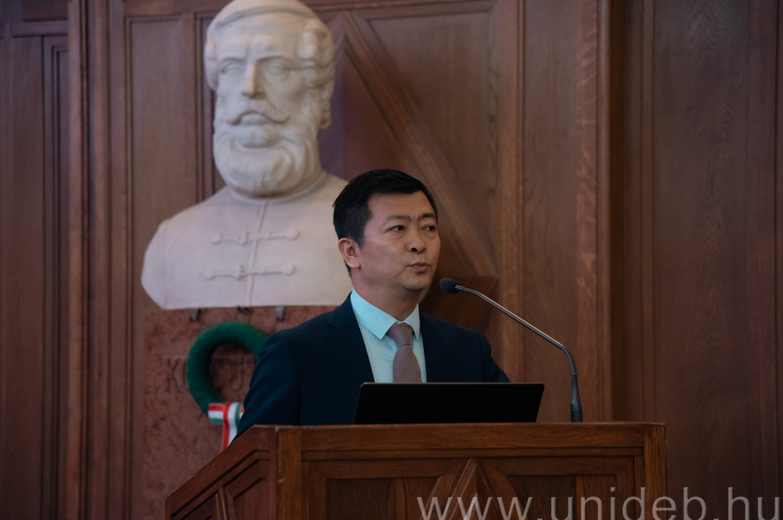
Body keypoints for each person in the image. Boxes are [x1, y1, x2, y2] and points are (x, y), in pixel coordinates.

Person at [237, 169, 508, 432]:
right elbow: (256, 457)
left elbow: (511, 439)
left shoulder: (468, 350)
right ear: (351, 252)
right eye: (398, 228)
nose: (419, 243)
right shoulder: (297, 353)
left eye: (429, 227)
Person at [140, 0, 352, 309]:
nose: (250, 88)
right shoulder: (170, 242)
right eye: (231, 68)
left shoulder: (372, 229)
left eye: (277, 67)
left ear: (318, 92)